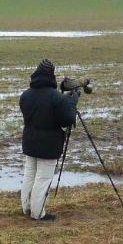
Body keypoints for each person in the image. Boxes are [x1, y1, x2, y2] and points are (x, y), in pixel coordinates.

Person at [19, 59, 78, 222]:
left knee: (29, 174)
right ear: (51, 76)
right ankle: (38, 214)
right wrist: (72, 103)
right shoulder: (55, 97)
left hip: (30, 142)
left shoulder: (25, 95)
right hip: (49, 145)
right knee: (43, 179)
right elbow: (67, 120)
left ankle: (27, 207)